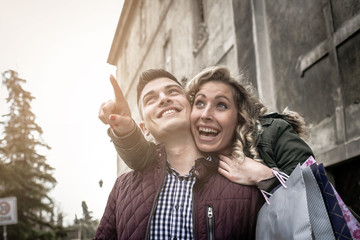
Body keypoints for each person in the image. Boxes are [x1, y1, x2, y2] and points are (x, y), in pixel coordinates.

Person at [95, 69, 264, 240]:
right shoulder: (122, 189)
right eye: (150, 99)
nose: (164, 98)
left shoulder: (241, 177)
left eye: (173, 91)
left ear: (192, 109)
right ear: (144, 128)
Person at [99, 66, 314, 192]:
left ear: (238, 112)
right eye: (200, 104)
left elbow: (318, 194)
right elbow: (144, 157)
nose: (207, 114)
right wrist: (125, 128)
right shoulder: (198, 148)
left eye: (221, 105)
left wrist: (266, 177)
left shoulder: (272, 132)